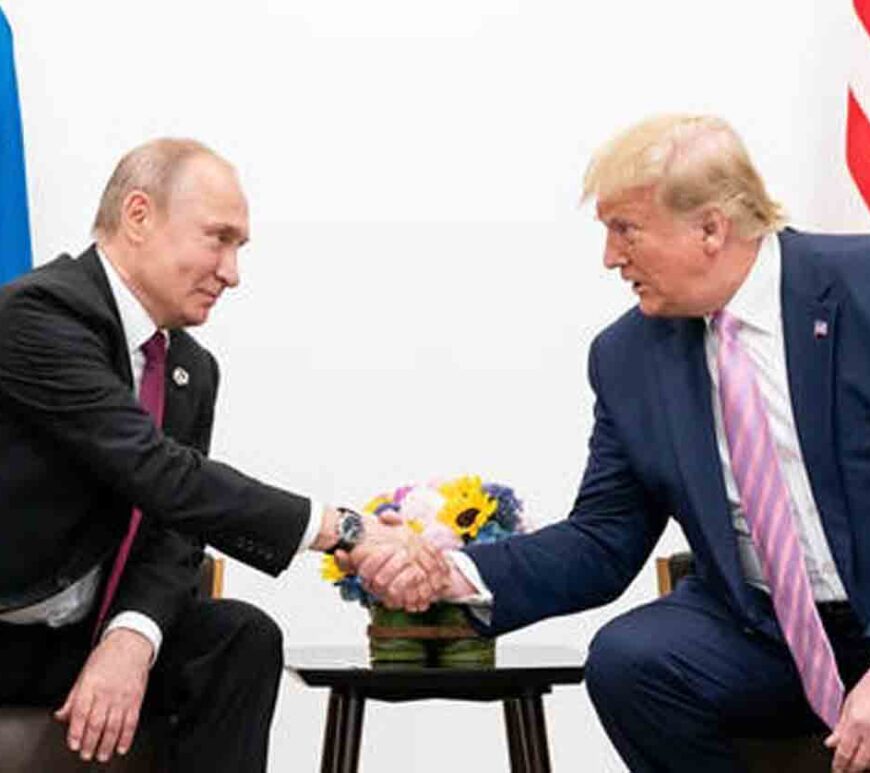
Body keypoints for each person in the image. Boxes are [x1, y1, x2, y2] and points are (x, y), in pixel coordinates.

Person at [351, 114, 870, 772]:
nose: (610, 257)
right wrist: (451, 569)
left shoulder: (858, 287)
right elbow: (603, 538)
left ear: (710, 228)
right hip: (765, 631)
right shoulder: (629, 356)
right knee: (632, 661)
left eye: (625, 230)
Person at [0, 138, 446, 771]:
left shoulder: (188, 368)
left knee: (239, 637)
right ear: (138, 215)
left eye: (239, 247)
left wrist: (132, 635)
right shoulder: (36, 317)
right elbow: (159, 474)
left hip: (77, 632)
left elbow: (174, 529)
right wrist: (346, 530)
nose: (232, 272)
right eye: (218, 238)